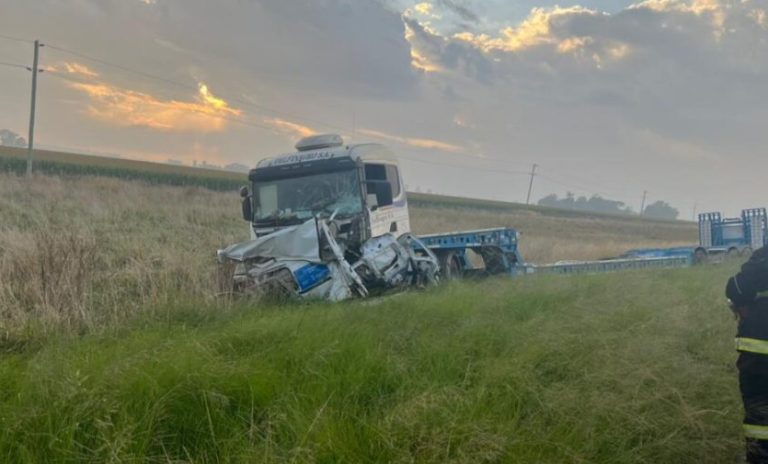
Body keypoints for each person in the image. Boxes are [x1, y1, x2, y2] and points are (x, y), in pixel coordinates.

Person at [726, 247, 768, 463]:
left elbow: (735, 288)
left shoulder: (762, 259)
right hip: (757, 354)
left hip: (758, 358)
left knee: (759, 411)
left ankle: (759, 457)